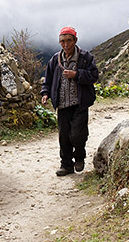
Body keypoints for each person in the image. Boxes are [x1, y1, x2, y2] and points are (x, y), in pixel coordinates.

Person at [41, 26, 99, 176]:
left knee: (78, 135)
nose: (65, 45)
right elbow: (47, 80)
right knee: (64, 136)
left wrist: (77, 74)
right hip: (62, 104)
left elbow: (94, 75)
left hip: (79, 103)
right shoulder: (55, 59)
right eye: (62, 41)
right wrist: (46, 93)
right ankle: (66, 165)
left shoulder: (85, 57)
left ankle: (79, 157)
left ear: (75, 41)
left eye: (68, 41)